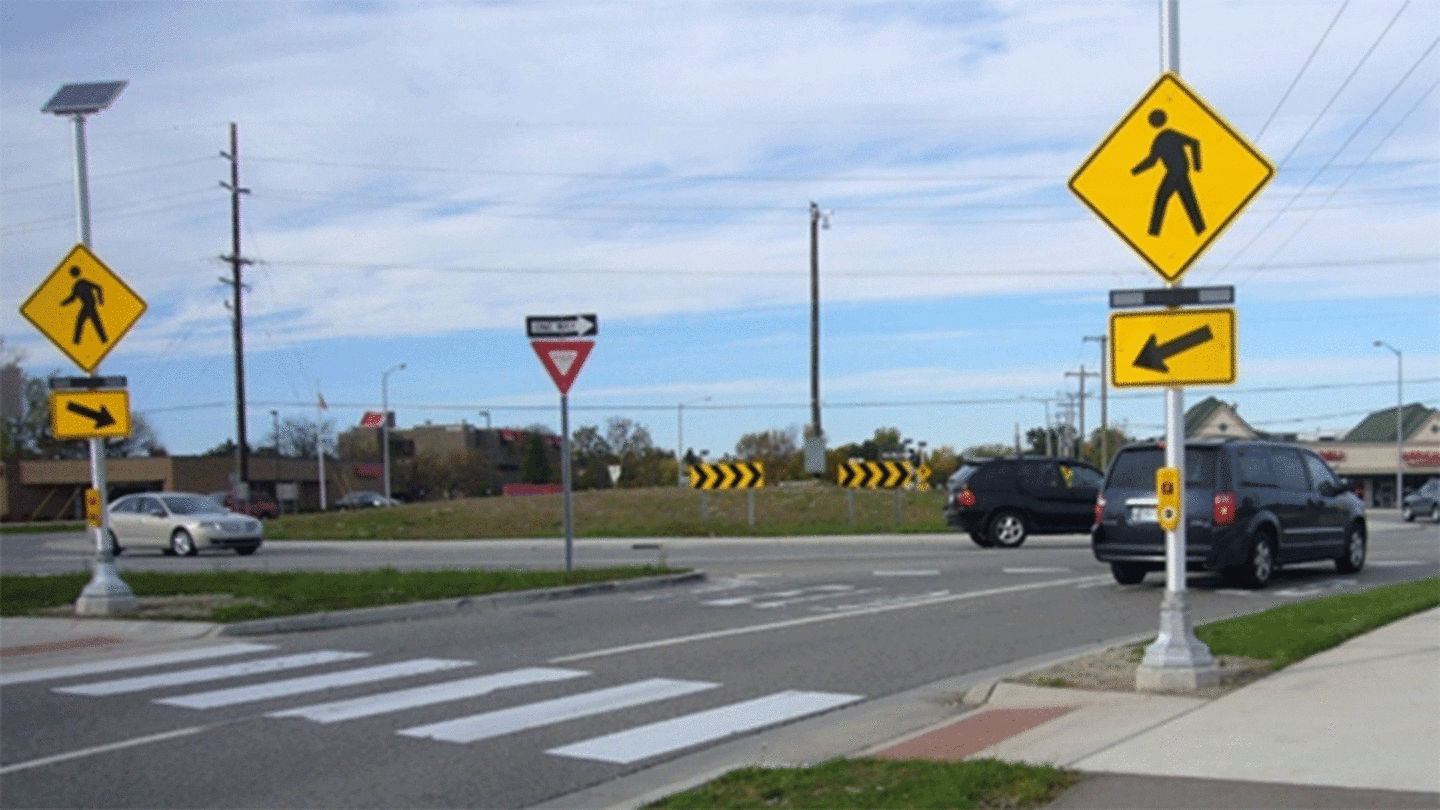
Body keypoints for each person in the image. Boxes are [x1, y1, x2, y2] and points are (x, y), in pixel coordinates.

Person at [1132, 109, 1206, 237]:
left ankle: (1154, 232)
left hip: (1177, 174)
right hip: (1176, 173)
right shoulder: (1161, 139)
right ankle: (1199, 229)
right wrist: (1135, 171)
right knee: (1187, 201)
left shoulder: (1168, 135)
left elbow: (1195, 142)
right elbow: (1152, 161)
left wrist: (1197, 167)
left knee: (1163, 199)